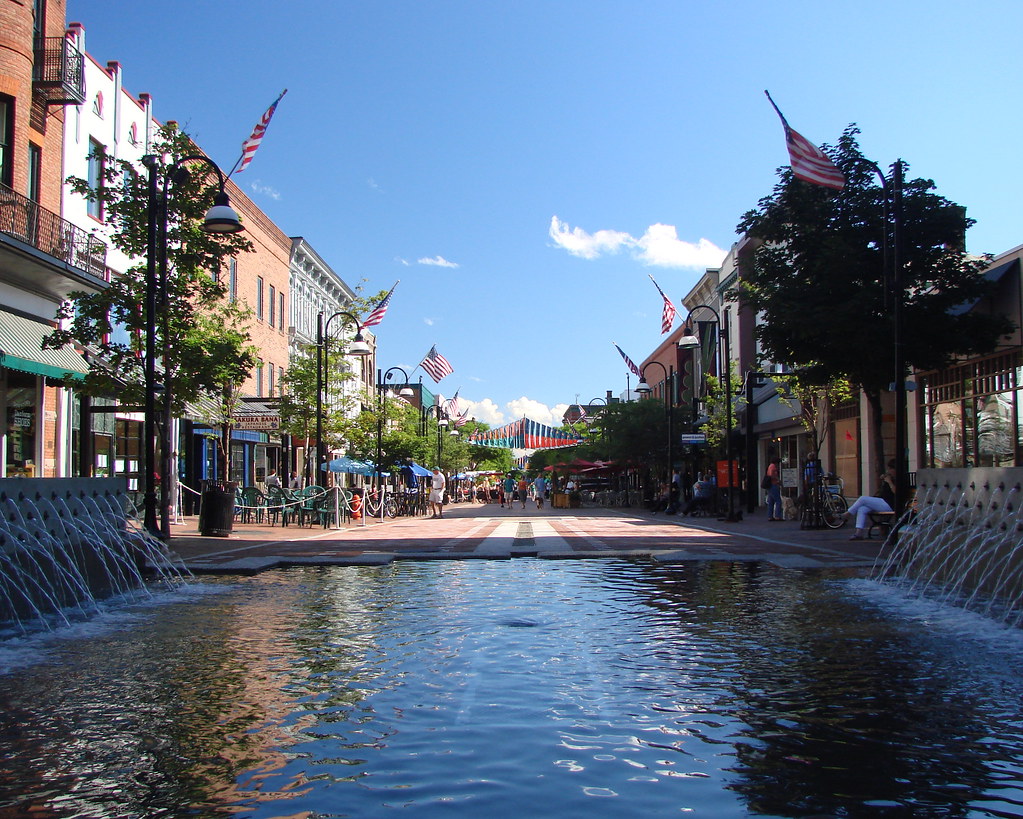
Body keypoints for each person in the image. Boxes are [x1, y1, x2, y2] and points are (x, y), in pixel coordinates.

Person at [843, 460, 896, 540]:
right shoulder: (890, 478)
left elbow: (896, 492)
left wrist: (889, 482)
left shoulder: (898, 479)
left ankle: (848, 514)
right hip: (882, 502)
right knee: (862, 508)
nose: (889, 471)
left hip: (890, 504)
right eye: (888, 469)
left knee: (862, 499)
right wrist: (884, 479)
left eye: (891, 469)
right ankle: (859, 533)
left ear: (895, 469)